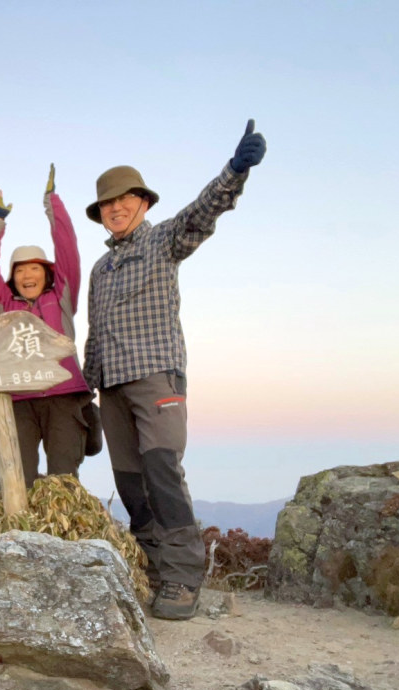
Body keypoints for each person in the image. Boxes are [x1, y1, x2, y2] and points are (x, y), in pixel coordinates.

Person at [83, 120, 267, 620]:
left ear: (143, 203)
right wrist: (86, 388)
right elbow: (94, 333)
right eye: (107, 204)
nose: (116, 209)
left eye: (125, 200)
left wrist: (235, 170)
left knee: (162, 472)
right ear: (99, 214)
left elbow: (203, 213)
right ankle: (157, 571)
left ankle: (185, 578)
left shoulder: (163, 240)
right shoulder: (100, 270)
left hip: (157, 376)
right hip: (112, 388)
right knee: (129, 483)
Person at [0, 164, 94, 488]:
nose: (27, 276)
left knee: (64, 483)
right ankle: (23, 539)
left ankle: (65, 539)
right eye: (20, 271)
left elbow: (68, 249)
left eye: (34, 269)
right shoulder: (5, 305)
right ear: (12, 277)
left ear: (47, 272)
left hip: (64, 396)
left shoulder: (61, 298)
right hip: (20, 400)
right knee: (20, 482)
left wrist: (51, 202)